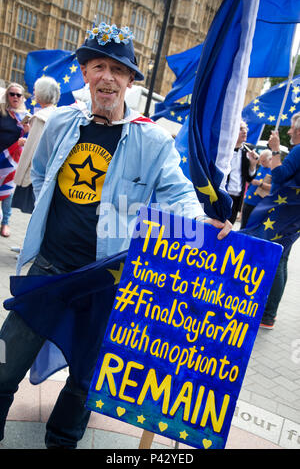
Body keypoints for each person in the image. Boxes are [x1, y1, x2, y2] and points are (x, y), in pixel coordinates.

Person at [0, 23, 231, 449]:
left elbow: (177, 193)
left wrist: (201, 224)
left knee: (87, 381)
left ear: (129, 80)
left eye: (117, 70)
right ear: (85, 73)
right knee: (3, 364)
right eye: (98, 66)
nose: (107, 77)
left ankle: (63, 441)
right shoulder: (61, 124)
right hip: (49, 270)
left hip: (109, 282)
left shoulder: (153, 140)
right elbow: (47, 170)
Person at [260, 112, 300, 329]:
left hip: (284, 214)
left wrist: (275, 149)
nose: (289, 131)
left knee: (277, 259)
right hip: (293, 215)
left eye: (292, 127)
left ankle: (268, 314)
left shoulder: (299, 150)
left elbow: (279, 176)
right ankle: (269, 313)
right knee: (281, 259)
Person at [12, 76, 60, 214]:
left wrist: (24, 177)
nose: (33, 93)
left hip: (35, 177)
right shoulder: (55, 114)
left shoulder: (40, 118)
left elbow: (34, 151)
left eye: (35, 90)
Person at [0, 83, 28, 237]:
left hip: (12, 159)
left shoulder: (24, 116)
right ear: (7, 96)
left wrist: (25, 135)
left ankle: (5, 222)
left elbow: (27, 136)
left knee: (8, 192)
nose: (15, 97)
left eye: (18, 95)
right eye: (12, 94)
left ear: (23, 97)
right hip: (0, 154)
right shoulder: (1, 112)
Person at [227, 120, 259, 224]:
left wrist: (253, 165)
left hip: (237, 198)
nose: (244, 131)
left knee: (228, 228)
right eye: (241, 129)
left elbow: (249, 178)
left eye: (245, 129)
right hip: (222, 194)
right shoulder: (224, 149)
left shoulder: (247, 151)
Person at [240, 149, 272, 229]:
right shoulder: (259, 167)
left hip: (260, 204)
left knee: (253, 228)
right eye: (260, 160)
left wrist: (260, 184)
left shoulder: (274, 170)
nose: (261, 163)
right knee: (243, 226)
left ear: (270, 159)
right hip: (249, 200)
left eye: (264, 161)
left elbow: (274, 187)